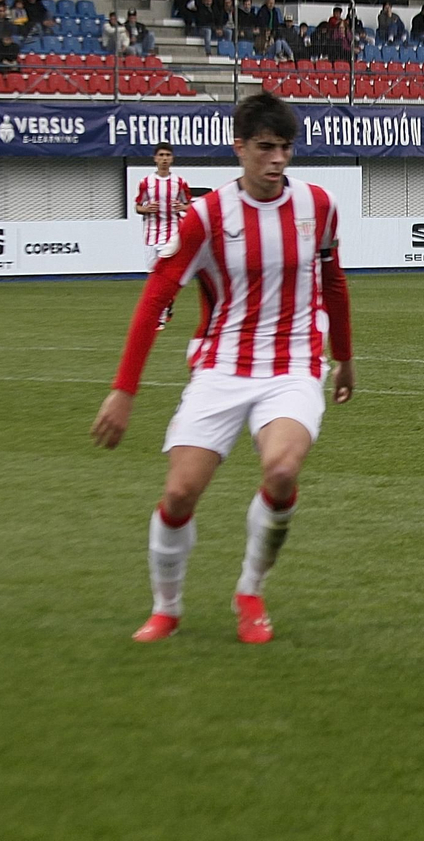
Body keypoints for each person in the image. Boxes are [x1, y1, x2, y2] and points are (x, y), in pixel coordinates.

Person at [91, 92, 357, 645]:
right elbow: (155, 295)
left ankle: (250, 591)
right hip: (220, 367)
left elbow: (333, 281)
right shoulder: (206, 217)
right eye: (265, 148)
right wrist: (123, 390)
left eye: (285, 147)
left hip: (293, 365)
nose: (277, 159)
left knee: (282, 471)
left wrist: (345, 357)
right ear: (240, 148)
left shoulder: (319, 206)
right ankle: (167, 608)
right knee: (181, 493)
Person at [132, 143, 191, 329]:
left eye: (167, 155)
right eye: (161, 155)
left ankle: (161, 314)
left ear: (172, 158)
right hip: (151, 236)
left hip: (172, 234)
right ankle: (166, 306)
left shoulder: (179, 182)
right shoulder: (146, 182)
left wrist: (183, 207)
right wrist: (145, 208)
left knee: (166, 275)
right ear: (155, 158)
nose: (164, 158)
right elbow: (137, 206)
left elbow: (189, 205)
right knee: (153, 276)